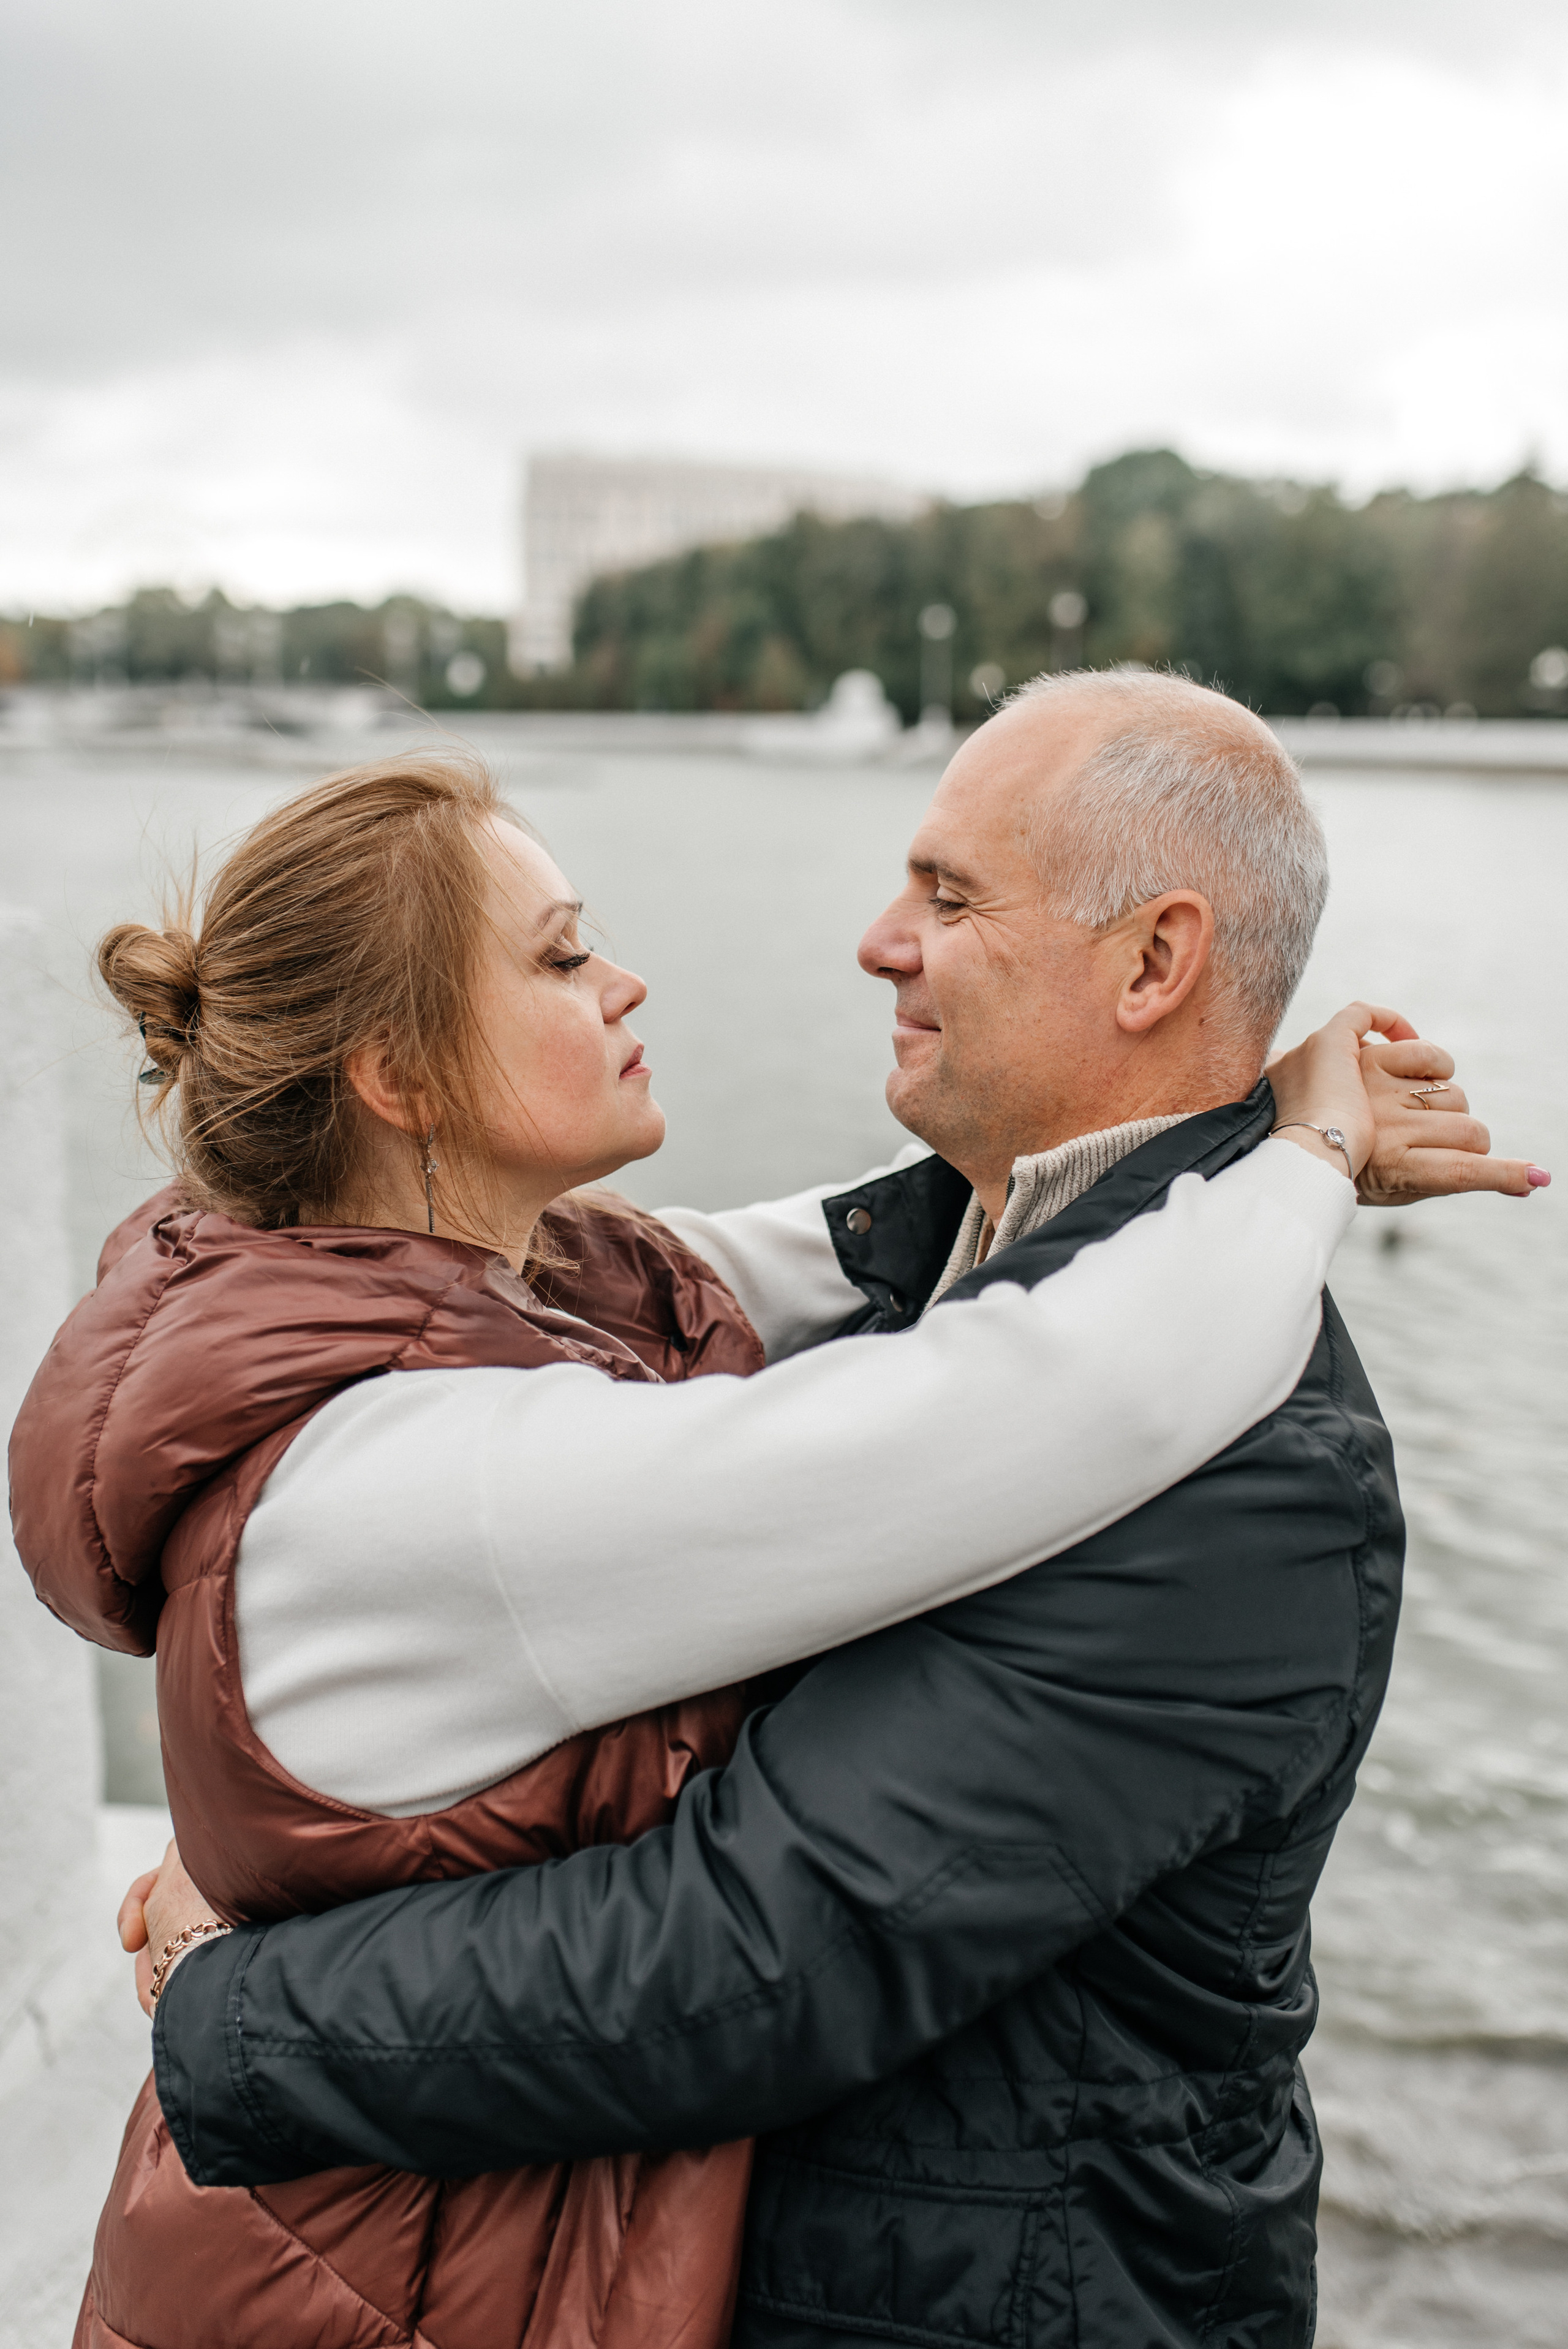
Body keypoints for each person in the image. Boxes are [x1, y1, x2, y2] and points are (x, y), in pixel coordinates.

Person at [15, 680, 1540, 2349]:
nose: (879, 939)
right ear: (395, 1078)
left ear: (1155, 961)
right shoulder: (469, 1455)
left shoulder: (1244, 1475)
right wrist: (1300, 1140)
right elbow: (1026, 1396)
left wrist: (244, 1976)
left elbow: (766, 1279)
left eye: (948, 898)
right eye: (557, 955)